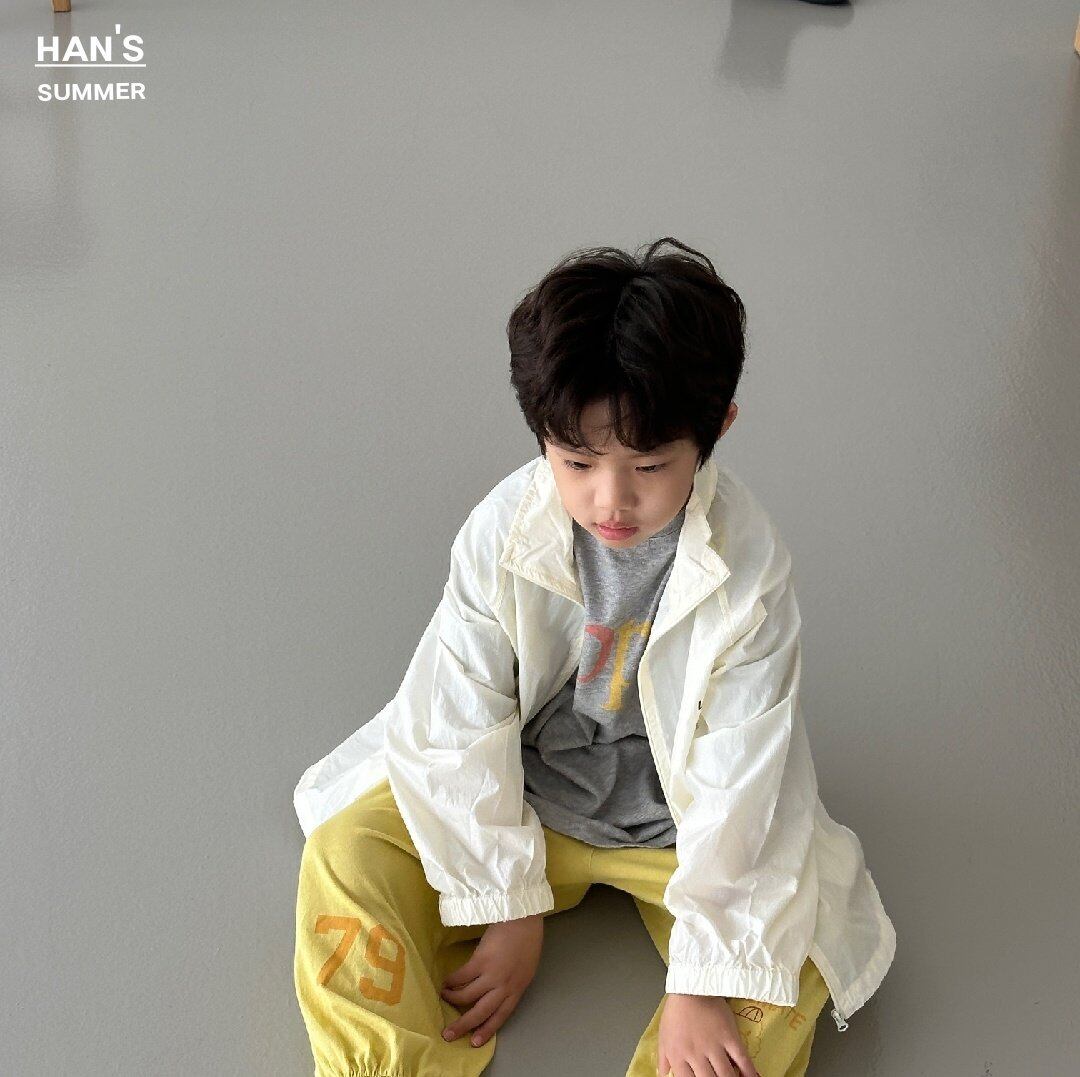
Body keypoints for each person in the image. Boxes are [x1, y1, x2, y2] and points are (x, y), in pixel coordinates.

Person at [292, 237, 896, 1077]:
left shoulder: (750, 568)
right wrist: (505, 902)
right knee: (346, 856)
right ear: (542, 435)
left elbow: (743, 779)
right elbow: (455, 710)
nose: (610, 499)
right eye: (576, 461)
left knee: (786, 969)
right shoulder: (504, 530)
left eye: (649, 464)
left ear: (715, 430)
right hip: (523, 790)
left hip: (677, 829)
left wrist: (703, 980)